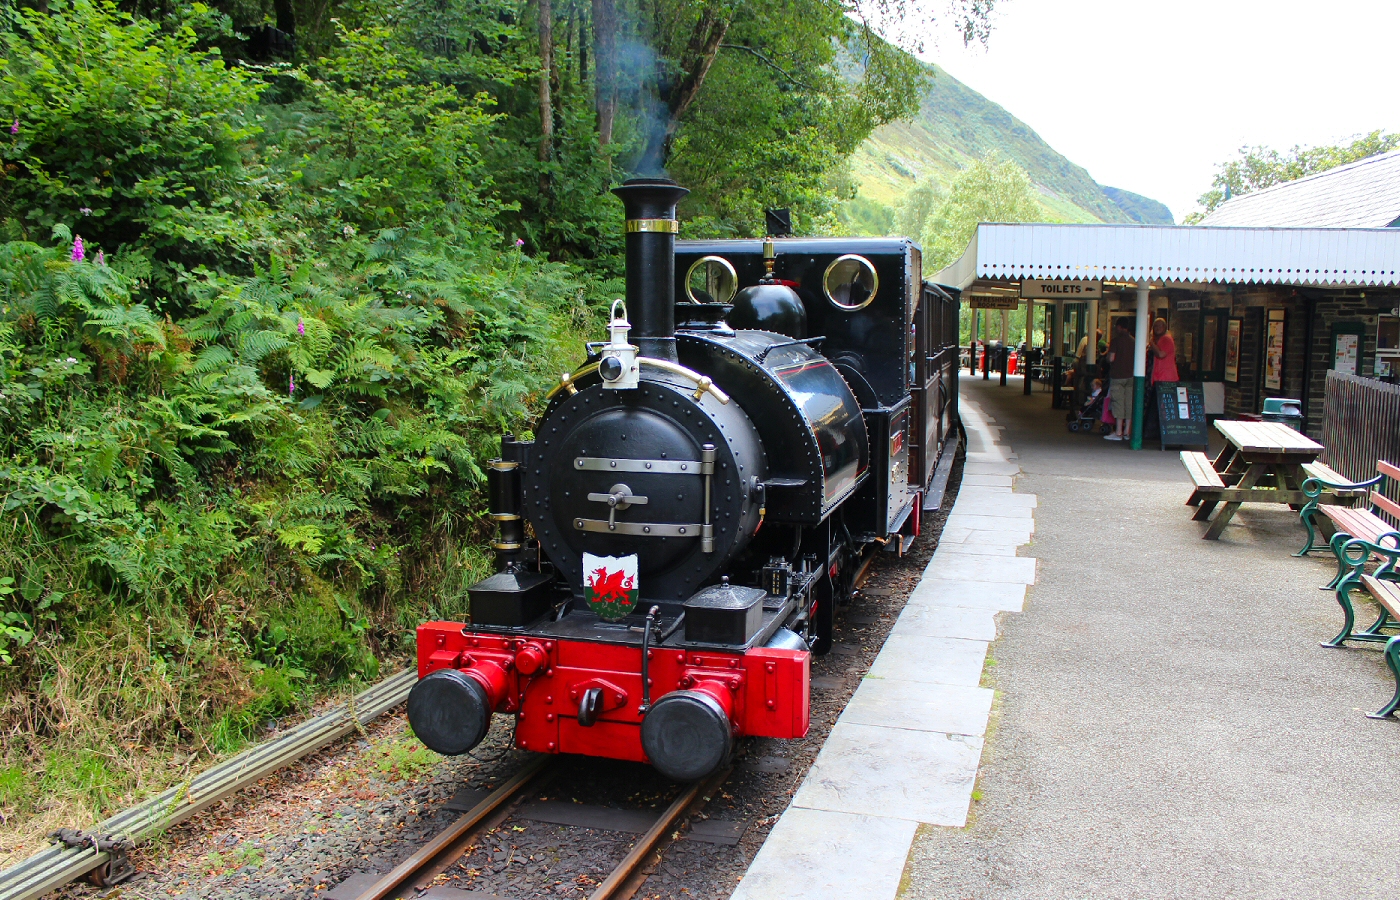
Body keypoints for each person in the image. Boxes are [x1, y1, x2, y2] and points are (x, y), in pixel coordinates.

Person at [1105, 318, 1135, 441]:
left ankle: (1118, 432)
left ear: (1119, 327)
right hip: (1131, 376)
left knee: (1118, 403)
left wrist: (1107, 357)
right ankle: (1127, 431)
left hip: (1117, 376)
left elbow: (1111, 358)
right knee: (1129, 403)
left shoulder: (1116, 341)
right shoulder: (1134, 341)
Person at [1149, 318, 1178, 383]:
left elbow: (1161, 354)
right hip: (1158, 378)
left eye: (1160, 326)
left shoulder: (1166, 339)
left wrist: (1151, 342)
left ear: (1165, 327)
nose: (1157, 328)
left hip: (1166, 378)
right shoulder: (1157, 341)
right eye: (1156, 326)